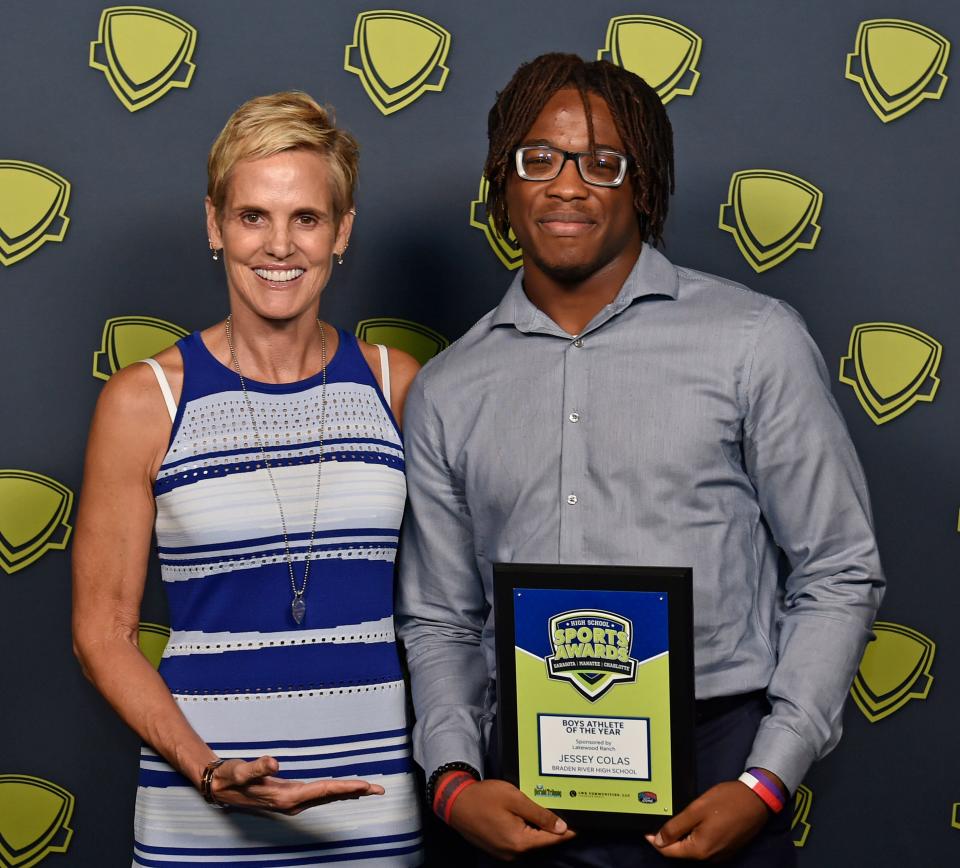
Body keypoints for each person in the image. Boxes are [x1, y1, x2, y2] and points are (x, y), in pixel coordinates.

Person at [396, 54, 884, 865]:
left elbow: (838, 568)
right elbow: (441, 616)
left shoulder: (753, 342)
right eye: (539, 159)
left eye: (602, 162)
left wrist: (767, 779)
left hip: (718, 767)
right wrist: (452, 778)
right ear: (503, 180)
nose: (566, 185)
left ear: (644, 183)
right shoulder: (451, 386)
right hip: (517, 782)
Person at [73, 92, 423, 866]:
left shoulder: (399, 385)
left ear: (342, 232)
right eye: (252, 216)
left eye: (306, 217)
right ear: (214, 225)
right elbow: (103, 633)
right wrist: (206, 770)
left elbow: (451, 615)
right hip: (201, 812)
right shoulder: (146, 401)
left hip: (370, 811)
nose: (279, 246)